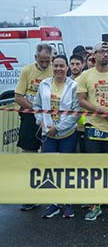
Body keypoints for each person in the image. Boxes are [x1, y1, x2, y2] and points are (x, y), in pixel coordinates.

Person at [77, 41, 108, 221]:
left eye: (107, 51)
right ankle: (95, 204)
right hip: (93, 126)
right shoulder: (86, 75)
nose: (105, 54)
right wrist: (101, 111)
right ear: (94, 55)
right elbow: (81, 100)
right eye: (101, 52)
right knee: (94, 167)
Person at [33, 55, 79, 219]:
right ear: (52, 66)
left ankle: (68, 203)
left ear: (67, 67)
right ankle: (53, 204)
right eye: (56, 65)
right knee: (51, 169)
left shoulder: (74, 86)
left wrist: (58, 128)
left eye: (62, 66)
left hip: (67, 134)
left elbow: (75, 111)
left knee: (67, 169)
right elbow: (36, 106)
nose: (59, 69)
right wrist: (41, 122)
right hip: (48, 135)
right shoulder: (44, 85)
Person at [15, 43, 53, 211]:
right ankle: (30, 196)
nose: (45, 65)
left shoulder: (55, 69)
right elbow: (18, 96)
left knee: (49, 154)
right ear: (36, 58)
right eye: (42, 61)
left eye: (47, 61)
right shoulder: (27, 71)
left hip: (51, 117)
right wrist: (36, 108)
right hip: (30, 118)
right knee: (29, 155)